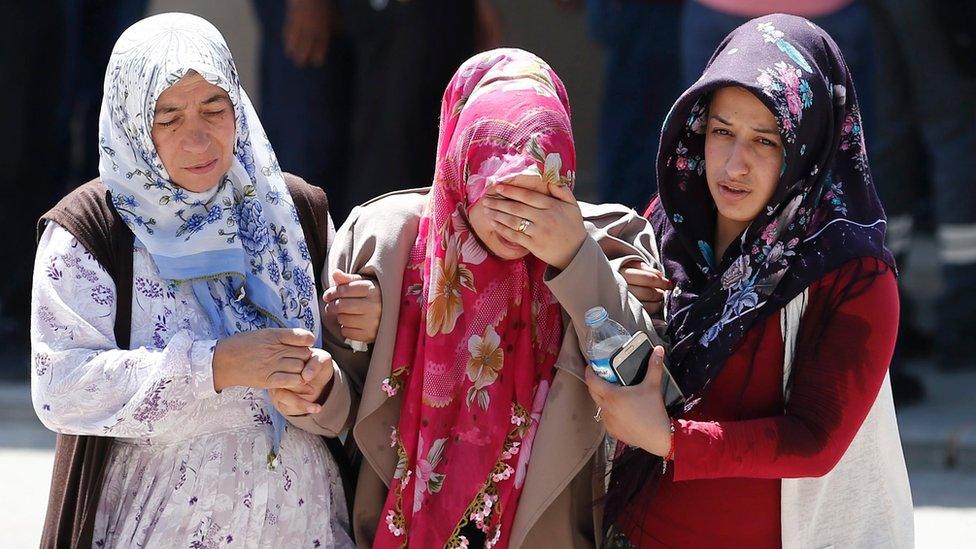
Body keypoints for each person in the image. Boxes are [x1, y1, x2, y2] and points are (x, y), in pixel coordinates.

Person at [285, 49, 667, 548]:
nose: (521, 221)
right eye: (502, 195)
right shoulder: (388, 242)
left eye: (546, 196)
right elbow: (341, 416)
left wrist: (577, 261)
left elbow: (647, 385)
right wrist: (353, 353)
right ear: (463, 170)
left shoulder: (609, 242)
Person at [31, 13, 360, 547]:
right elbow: (60, 389)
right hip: (157, 526)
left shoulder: (292, 211)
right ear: (132, 121)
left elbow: (355, 367)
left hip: (304, 527)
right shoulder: (92, 231)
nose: (198, 137)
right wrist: (213, 366)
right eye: (168, 118)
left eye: (215, 108)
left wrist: (328, 377)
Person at [587, 15, 913, 547]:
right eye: (722, 132)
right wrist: (626, 297)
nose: (734, 165)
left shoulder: (850, 273)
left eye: (766, 140)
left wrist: (670, 440)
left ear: (808, 144)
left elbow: (814, 441)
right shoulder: (673, 222)